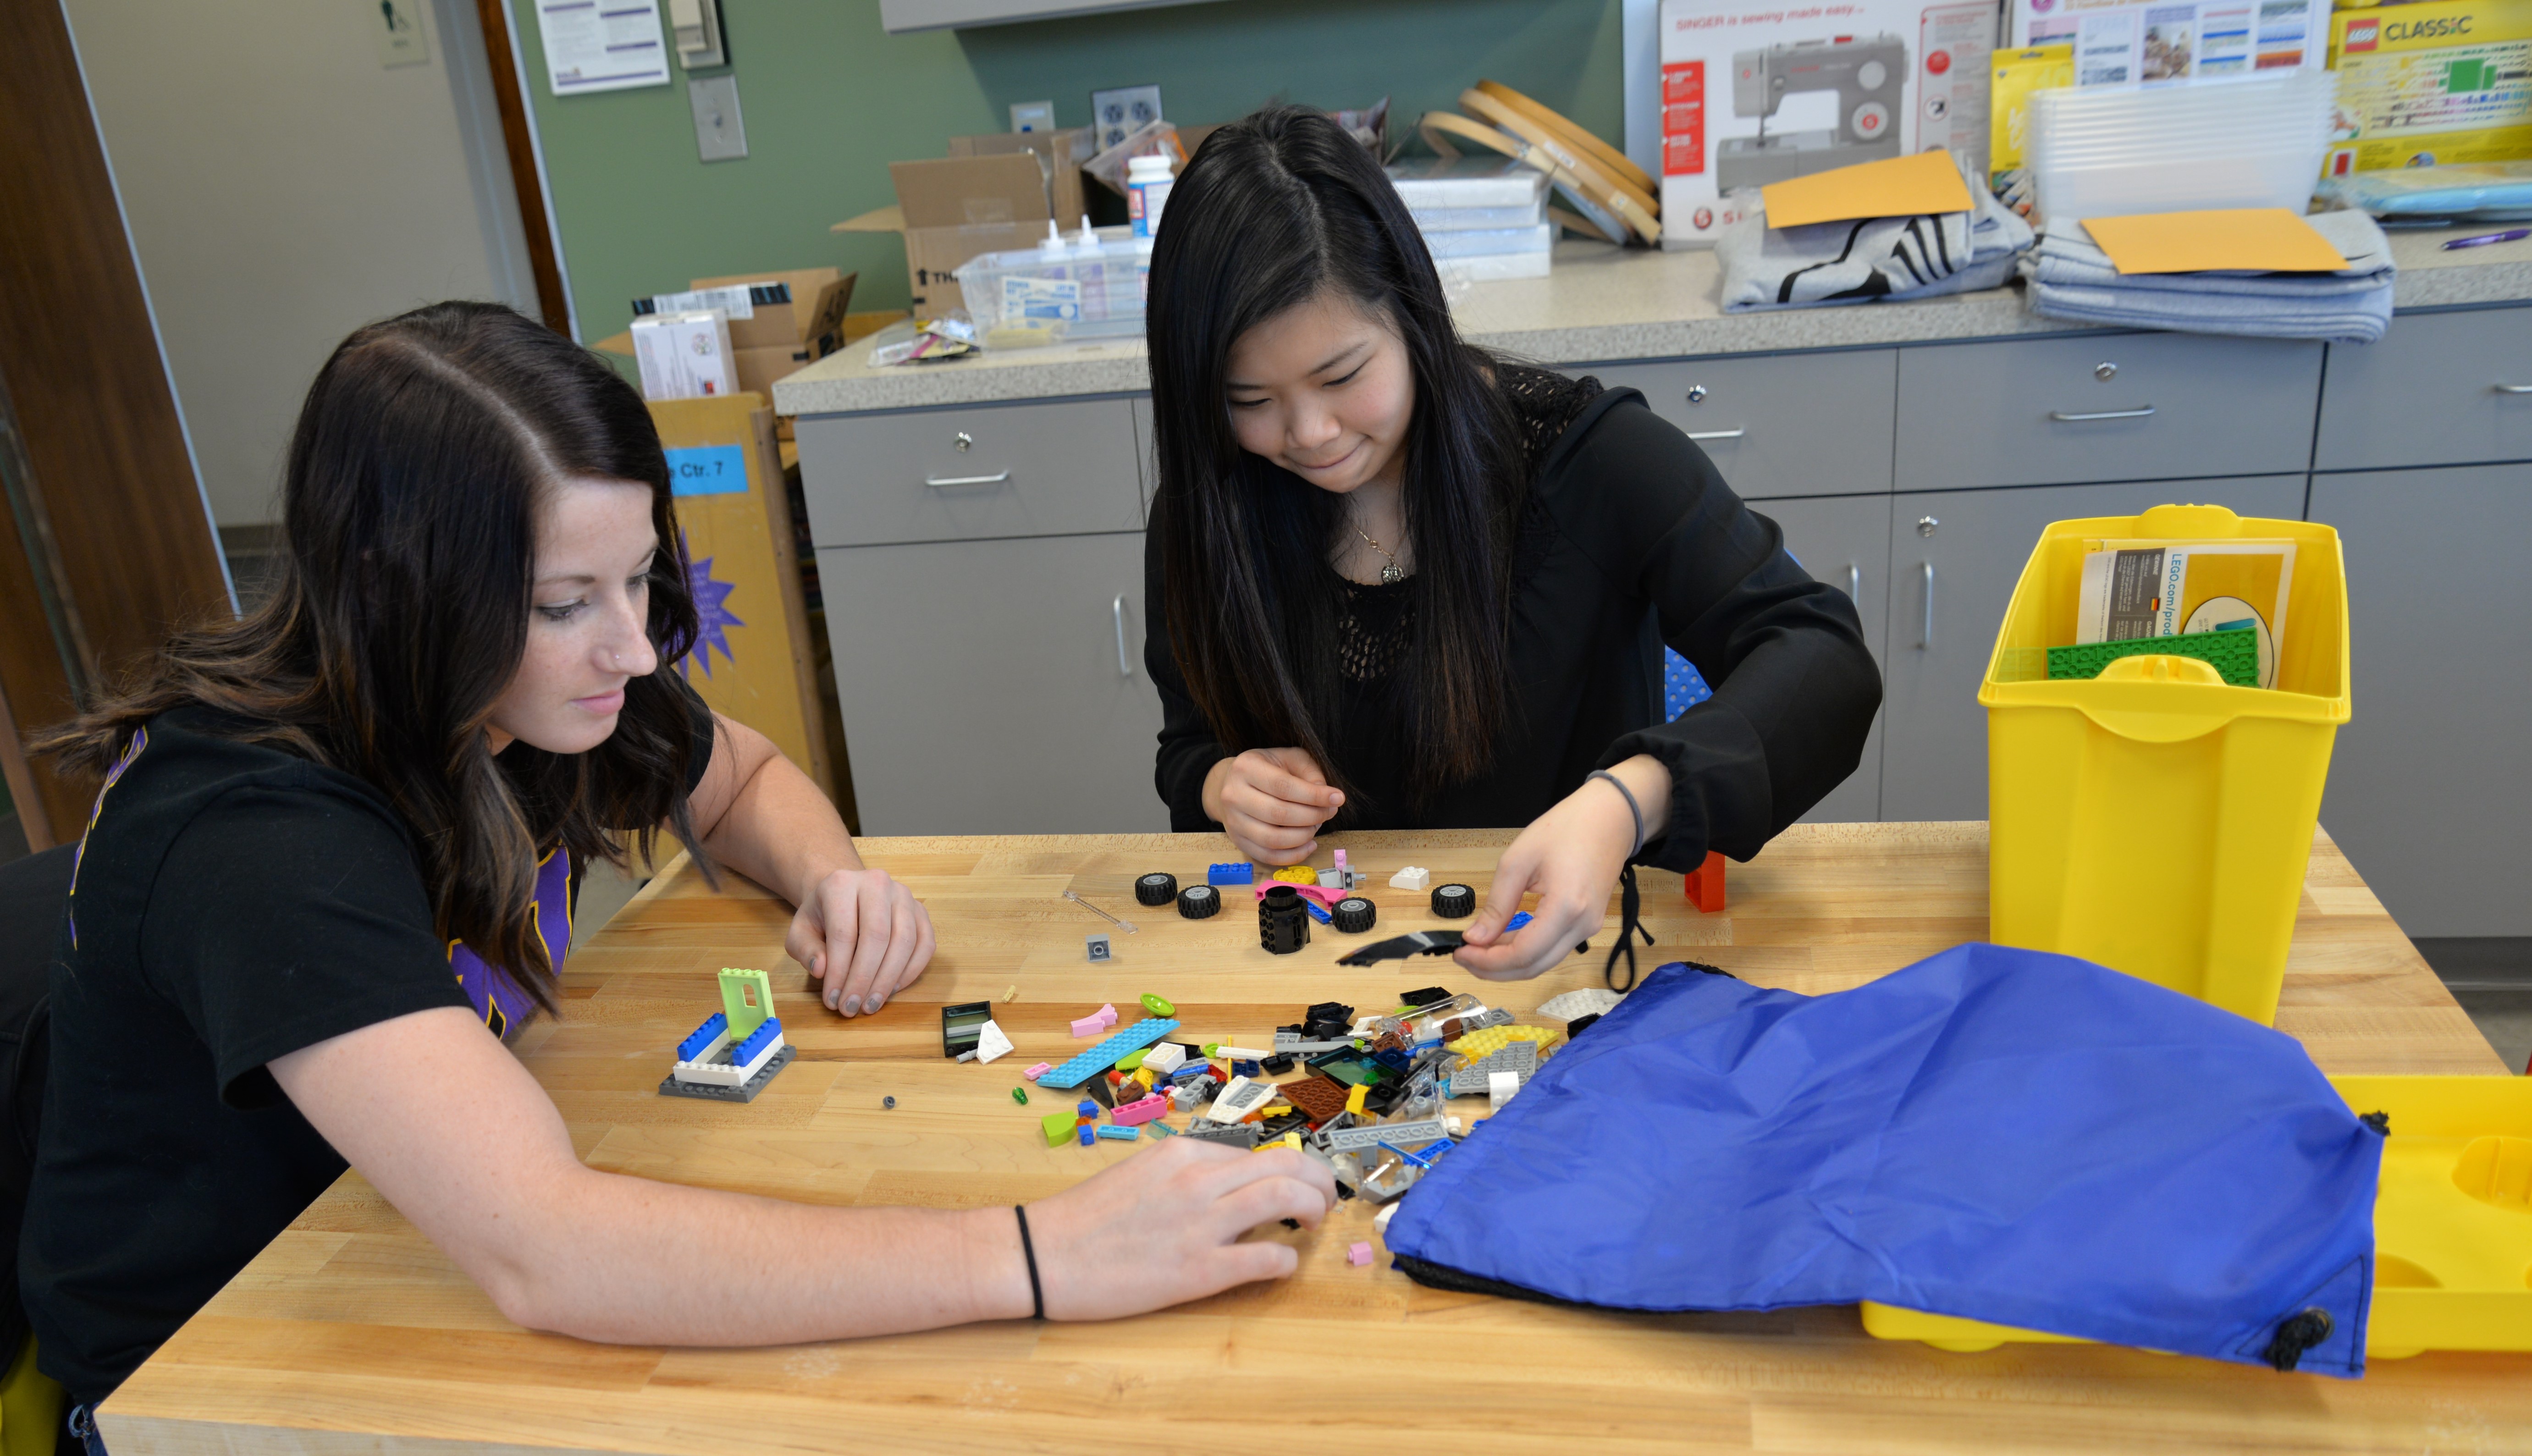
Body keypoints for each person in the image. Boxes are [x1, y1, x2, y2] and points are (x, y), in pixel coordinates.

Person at [19, 304, 1334, 1433]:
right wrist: (1043, 1250)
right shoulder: (257, 838)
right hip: (209, 1373)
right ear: (396, 589)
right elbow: (549, 1249)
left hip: (392, 1242)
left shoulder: (531, 691)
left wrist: (832, 879)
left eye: (640, 580)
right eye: (562, 603)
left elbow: (746, 778)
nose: (634, 650)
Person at [1142, 108, 1882, 982]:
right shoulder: (1212, 508)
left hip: (1571, 968)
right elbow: (1187, 747)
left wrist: (1627, 802)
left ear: (1414, 317)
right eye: (1248, 400)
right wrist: (1222, 786)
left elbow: (1823, 657)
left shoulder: (1588, 458)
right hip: (1323, 983)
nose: (1307, 433)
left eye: (1342, 377)